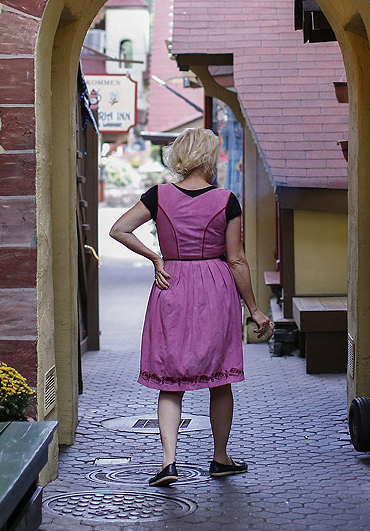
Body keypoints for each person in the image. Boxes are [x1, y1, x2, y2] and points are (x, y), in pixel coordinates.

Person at [109, 128, 273, 488]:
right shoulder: (227, 200)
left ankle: (169, 463)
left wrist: (155, 257)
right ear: (209, 158)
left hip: (172, 283)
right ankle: (220, 458)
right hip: (215, 287)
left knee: (170, 379)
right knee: (220, 378)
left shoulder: (158, 195)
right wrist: (254, 309)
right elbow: (236, 260)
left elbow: (119, 229)